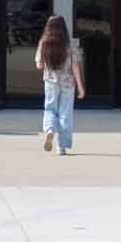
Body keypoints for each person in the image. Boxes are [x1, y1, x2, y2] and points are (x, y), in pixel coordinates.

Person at [37, 15, 84, 156]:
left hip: (50, 80)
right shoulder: (69, 45)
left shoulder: (43, 43)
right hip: (68, 82)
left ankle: (49, 130)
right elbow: (75, 66)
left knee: (50, 109)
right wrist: (80, 87)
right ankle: (61, 147)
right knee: (65, 113)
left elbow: (39, 65)